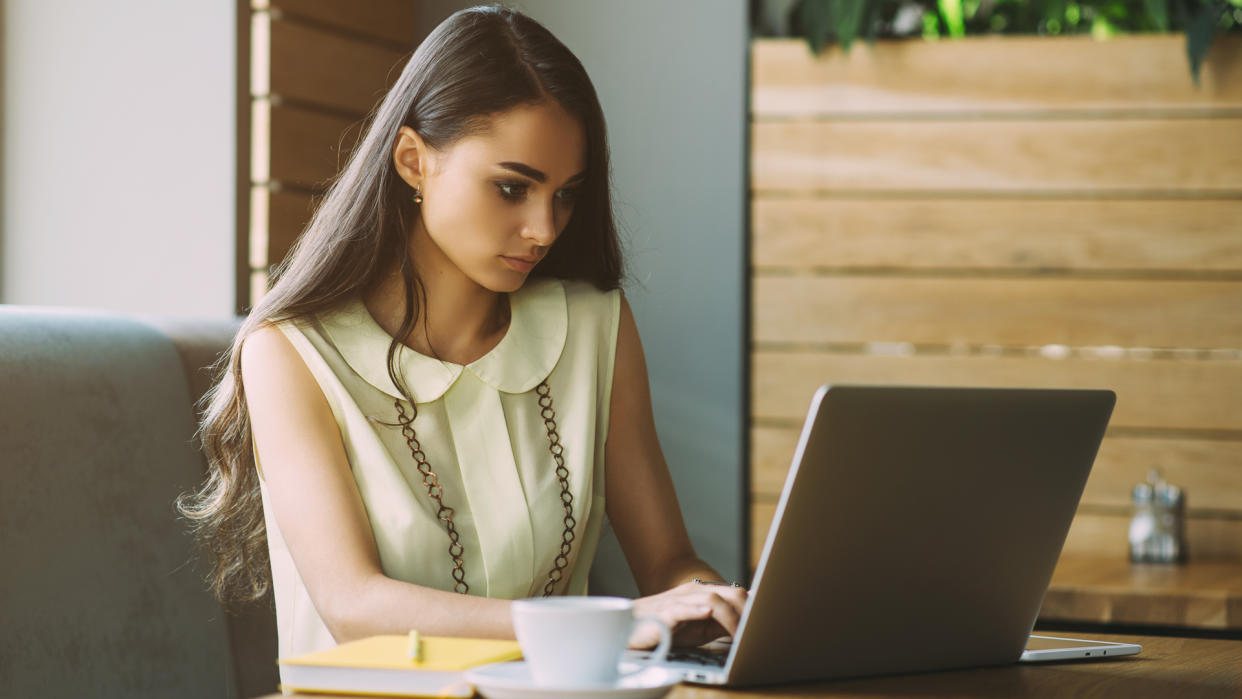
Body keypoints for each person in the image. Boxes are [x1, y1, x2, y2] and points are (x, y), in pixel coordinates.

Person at [177, 4, 746, 669]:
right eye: (512, 188)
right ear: (414, 161)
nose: (544, 228)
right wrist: (618, 623)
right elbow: (353, 603)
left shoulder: (596, 324)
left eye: (566, 195)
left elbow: (669, 562)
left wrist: (708, 602)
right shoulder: (289, 353)